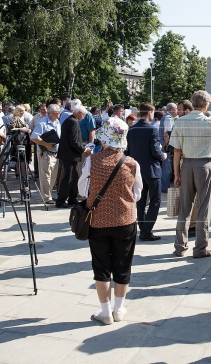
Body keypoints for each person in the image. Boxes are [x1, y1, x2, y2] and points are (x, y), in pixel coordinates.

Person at [78, 117, 142, 325]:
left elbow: (82, 190)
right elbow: (138, 194)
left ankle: (105, 312)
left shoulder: (91, 161)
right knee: (123, 265)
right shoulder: (131, 163)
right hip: (125, 221)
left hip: (98, 221)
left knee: (101, 265)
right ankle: (119, 308)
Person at [170, 91, 211, 258]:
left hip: (186, 164)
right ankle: (200, 248)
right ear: (206, 104)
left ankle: (179, 246)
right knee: (203, 208)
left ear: (192, 104)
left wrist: (176, 173)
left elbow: (176, 150)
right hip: (204, 165)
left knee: (185, 208)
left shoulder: (180, 121)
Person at [126, 103, 165, 241]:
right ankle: (146, 230)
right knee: (155, 200)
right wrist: (163, 155)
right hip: (152, 170)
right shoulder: (151, 130)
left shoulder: (131, 129)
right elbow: (155, 151)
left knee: (141, 201)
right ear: (149, 113)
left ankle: (143, 227)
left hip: (136, 170)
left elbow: (128, 151)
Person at [56, 100, 90, 209]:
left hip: (70, 155)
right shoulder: (73, 122)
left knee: (74, 178)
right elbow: (74, 142)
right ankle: (61, 201)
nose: (83, 117)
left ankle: (72, 198)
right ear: (79, 113)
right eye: (83, 115)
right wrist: (84, 149)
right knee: (68, 178)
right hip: (69, 155)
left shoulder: (70, 121)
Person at [31, 104, 62, 203]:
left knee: (53, 175)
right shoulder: (42, 123)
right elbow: (34, 137)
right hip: (45, 152)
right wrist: (46, 144)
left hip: (56, 152)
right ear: (52, 113)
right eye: (58, 113)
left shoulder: (57, 121)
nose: (59, 114)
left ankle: (49, 195)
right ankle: (46, 197)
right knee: (45, 175)